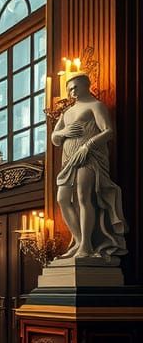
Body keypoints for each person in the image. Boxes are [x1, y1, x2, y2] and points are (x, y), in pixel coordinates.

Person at [51, 72, 127, 261]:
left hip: (88, 157)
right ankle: (78, 241)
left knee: (84, 198)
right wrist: (63, 132)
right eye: (69, 89)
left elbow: (109, 131)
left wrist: (88, 145)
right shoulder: (66, 112)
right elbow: (54, 139)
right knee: (62, 199)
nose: (72, 92)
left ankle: (86, 244)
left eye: (75, 87)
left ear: (86, 85)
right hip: (68, 160)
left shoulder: (96, 105)